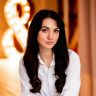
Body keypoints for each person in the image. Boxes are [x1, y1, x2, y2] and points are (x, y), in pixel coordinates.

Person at [19, 9, 81, 96]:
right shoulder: (25, 61)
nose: (51, 36)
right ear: (35, 31)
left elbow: (70, 93)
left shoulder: (72, 58)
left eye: (56, 31)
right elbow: (28, 94)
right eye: (44, 30)